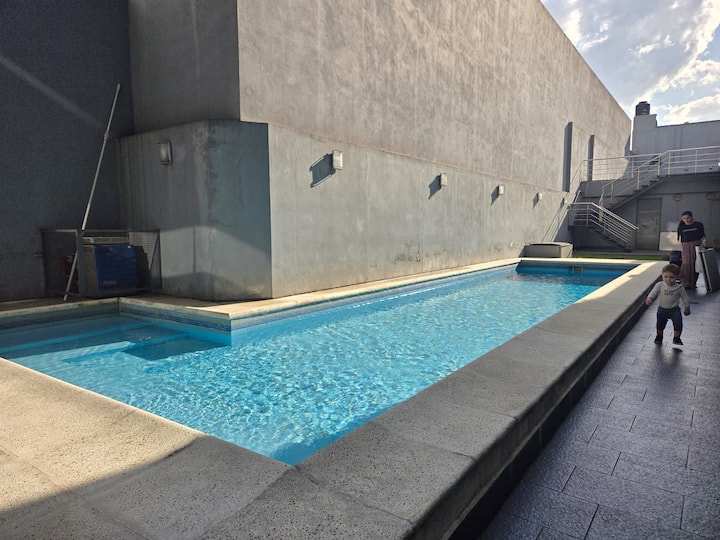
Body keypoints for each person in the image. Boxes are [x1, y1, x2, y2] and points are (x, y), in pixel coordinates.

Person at [645, 263, 691, 345]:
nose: (668, 279)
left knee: (678, 323)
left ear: (677, 277)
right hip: (662, 309)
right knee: (660, 324)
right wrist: (650, 298)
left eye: (671, 277)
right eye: (665, 277)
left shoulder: (679, 288)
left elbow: (685, 298)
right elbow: (653, 292)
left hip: (674, 309)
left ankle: (676, 338)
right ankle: (659, 336)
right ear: (662, 276)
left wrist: (687, 307)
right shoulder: (660, 285)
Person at [677, 210, 707, 289]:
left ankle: (693, 282)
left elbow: (702, 235)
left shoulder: (698, 224)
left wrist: (704, 241)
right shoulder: (682, 226)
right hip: (686, 246)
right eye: (684, 218)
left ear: (692, 217)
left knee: (696, 264)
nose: (686, 220)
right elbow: (681, 238)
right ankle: (685, 281)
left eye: (688, 218)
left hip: (696, 245)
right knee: (686, 263)